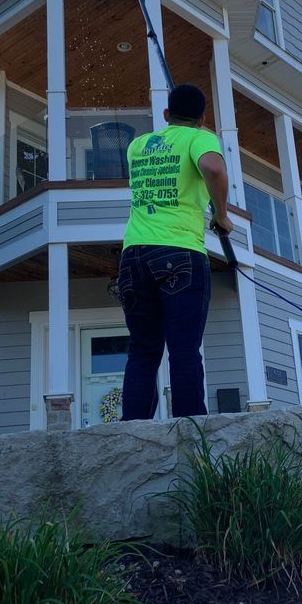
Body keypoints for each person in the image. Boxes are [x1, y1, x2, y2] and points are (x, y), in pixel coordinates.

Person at [117, 83, 232, 419]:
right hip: (179, 251)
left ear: (166, 115)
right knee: (183, 350)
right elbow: (213, 168)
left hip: (134, 255)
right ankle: (191, 433)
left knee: (142, 351)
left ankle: (133, 431)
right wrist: (221, 214)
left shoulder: (138, 146)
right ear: (202, 117)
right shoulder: (201, 138)